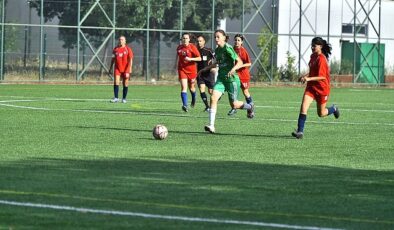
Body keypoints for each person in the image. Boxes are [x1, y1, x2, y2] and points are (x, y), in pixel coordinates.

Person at [201, 30, 255, 134]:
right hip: (221, 79)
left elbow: (239, 62)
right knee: (213, 98)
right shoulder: (217, 50)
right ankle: (211, 126)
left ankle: (250, 106)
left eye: (218, 37)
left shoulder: (228, 48)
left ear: (224, 38)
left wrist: (233, 69)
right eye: (215, 37)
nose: (216, 39)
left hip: (232, 80)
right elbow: (218, 62)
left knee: (234, 105)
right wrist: (207, 68)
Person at [292, 37, 340, 139]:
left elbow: (322, 76)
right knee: (304, 107)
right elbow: (313, 72)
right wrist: (304, 76)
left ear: (321, 46)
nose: (312, 47)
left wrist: (308, 79)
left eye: (315, 45)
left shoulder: (322, 59)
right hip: (311, 87)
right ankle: (300, 131)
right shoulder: (313, 56)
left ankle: (334, 109)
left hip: (322, 89)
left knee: (321, 113)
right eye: (312, 45)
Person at [228, 34, 254, 117]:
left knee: (245, 92)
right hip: (234, 74)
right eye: (235, 40)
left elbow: (249, 63)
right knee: (233, 90)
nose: (237, 42)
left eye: (239, 40)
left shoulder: (243, 51)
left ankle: (251, 109)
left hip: (243, 75)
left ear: (242, 42)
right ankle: (234, 108)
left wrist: (240, 65)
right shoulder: (231, 49)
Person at [176, 33, 202, 112]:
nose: (185, 40)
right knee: (184, 87)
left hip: (192, 70)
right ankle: (185, 105)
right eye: (183, 38)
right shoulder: (179, 48)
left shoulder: (192, 47)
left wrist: (190, 59)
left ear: (189, 39)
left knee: (192, 88)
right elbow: (180, 58)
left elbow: (199, 58)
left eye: (186, 38)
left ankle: (193, 98)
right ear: (181, 39)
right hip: (182, 69)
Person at [109, 35, 133, 103]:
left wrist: (130, 68)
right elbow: (113, 59)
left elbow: (130, 60)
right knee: (116, 82)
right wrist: (110, 68)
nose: (120, 41)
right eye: (119, 39)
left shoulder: (128, 49)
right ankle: (116, 98)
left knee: (125, 83)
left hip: (126, 69)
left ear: (125, 41)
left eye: (122, 39)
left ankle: (124, 98)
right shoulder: (115, 49)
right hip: (117, 68)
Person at [196, 35, 217, 112]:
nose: (199, 42)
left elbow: (217, 58)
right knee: (202, 89)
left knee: (211, 91)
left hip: (209, 74)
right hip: (200, 74)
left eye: (200, 41)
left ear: (204, 42)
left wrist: (213, 65)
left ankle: (218, 96)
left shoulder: (208, 50)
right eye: (198, 41)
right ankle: (207, 106)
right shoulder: (195, 51)